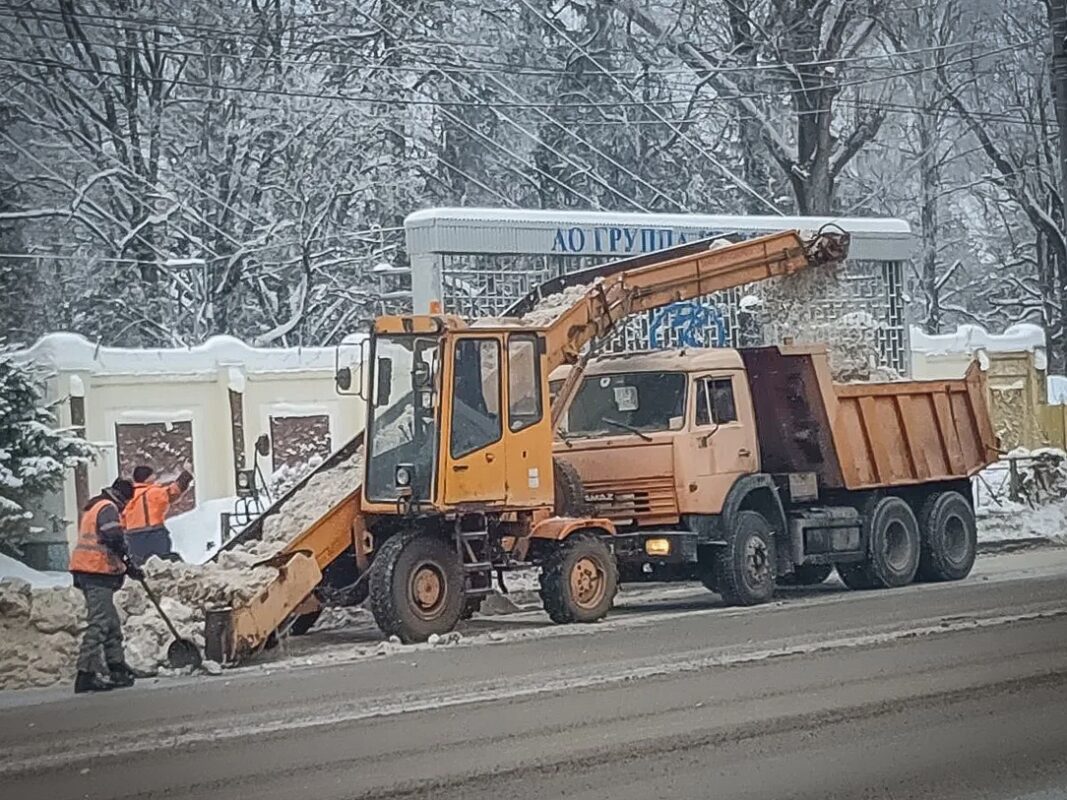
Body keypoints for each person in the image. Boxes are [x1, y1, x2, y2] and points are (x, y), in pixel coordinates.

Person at [68, 478, 145, 694]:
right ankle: (86, 674)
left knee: (110, 621)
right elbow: (113, 537)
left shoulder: (98, 504)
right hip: (94, 572)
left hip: (91, 572)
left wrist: (126, 566)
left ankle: (116, 665)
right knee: (100, 623)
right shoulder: (108, 508)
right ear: (124, 498)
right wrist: (128, 561)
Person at [122, 464, 193, 564]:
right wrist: (186, 475)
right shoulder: (154, 492)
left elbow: (122, 519)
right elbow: (174, 491)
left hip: (133, 537)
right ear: (148, 478)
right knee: (162, 563)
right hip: (155, 533)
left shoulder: (127, 496)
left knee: (139, 564)